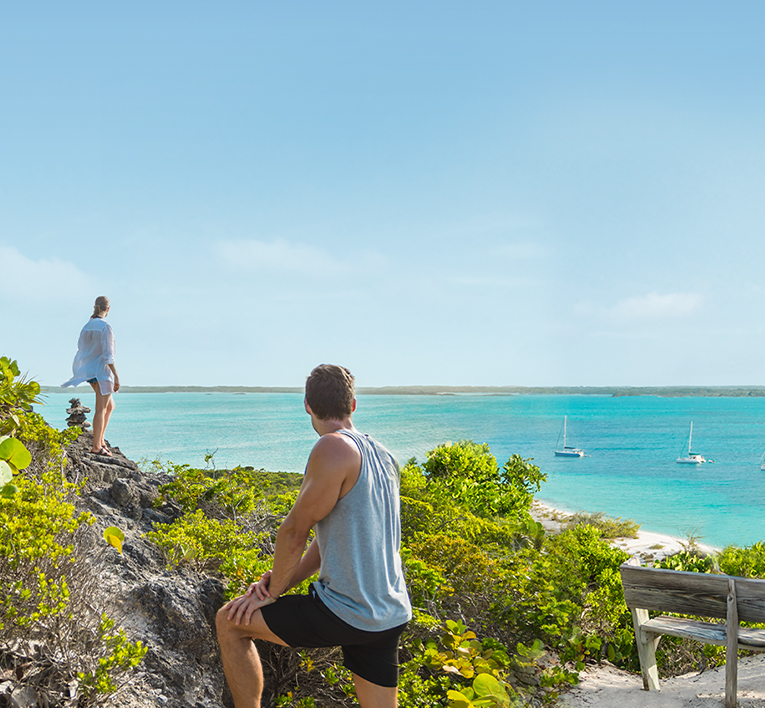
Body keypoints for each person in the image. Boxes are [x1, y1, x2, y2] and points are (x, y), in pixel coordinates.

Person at [217, 364, 411, 708]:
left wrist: (271, 595)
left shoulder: (332, 448)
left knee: (230, 623)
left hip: (347, 611)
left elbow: (294, 532)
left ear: (307, 405)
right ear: (352, 405)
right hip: (389, 612)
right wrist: (283, 580)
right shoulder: (385, 455)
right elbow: (332, 536)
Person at [62, 296, 120, 455]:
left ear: (95, 307)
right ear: (107, 309)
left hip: (91, 371)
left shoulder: (86, 326)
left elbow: (82, 350)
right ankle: (96, 446)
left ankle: (100, 440)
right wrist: (116, 375)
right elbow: (109, 355)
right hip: (102, 372)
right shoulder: (105, 327)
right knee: (101, 408)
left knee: (110, 406)